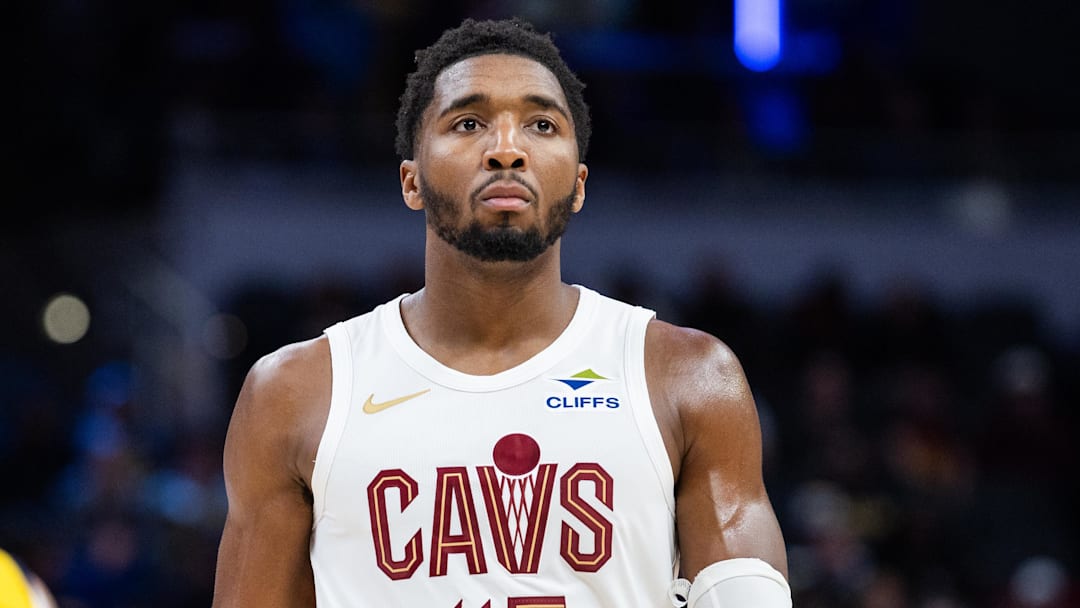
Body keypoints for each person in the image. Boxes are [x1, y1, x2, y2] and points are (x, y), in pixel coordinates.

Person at [211, 17, 790, 608]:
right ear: (411, 181)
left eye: (541, 125)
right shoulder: (295, 392)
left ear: (579, 183)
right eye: (469, 123)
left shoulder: (689, 377)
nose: (508, 150)